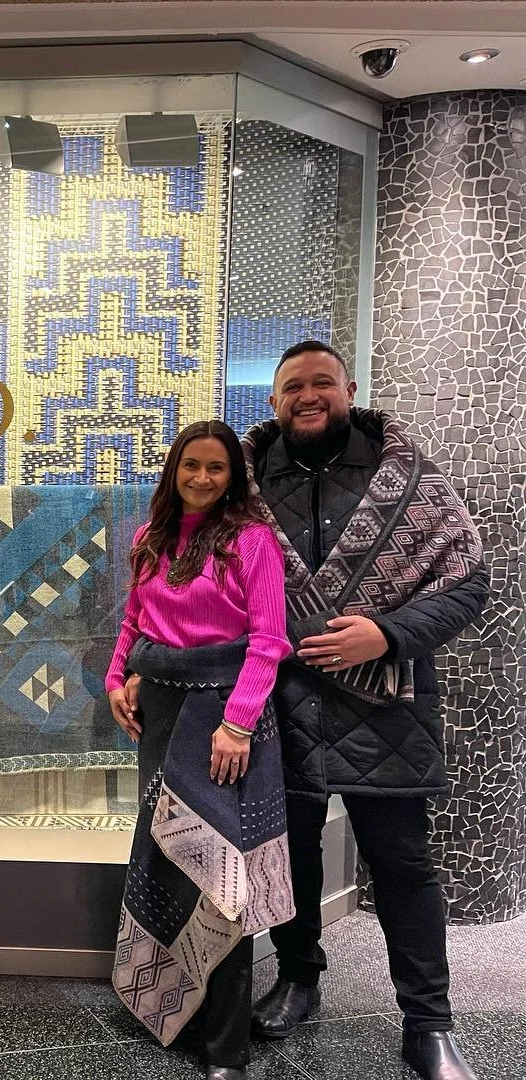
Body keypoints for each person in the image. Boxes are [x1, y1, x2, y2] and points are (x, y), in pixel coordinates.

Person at [240, 340, 489, 1080]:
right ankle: (299, 979)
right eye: (293, 386)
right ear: (274, 401)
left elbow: (468, 582)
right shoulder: (245, 485)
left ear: (350, 390)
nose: (308, 396)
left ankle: (429, 1022)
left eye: (323, 382)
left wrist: (386, 634)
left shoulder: (406, 477)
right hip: (279, 699)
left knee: (402, 866)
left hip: (387, 707)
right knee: (291, 857)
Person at [106, 419, 295, 1080]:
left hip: (222, 720)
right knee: (167, 859)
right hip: (160, 715)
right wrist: (116, 681)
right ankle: (177, 1013)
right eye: (192, 465)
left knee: (221, 877)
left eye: (217, 467)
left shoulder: (252, 541)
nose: (203, 478)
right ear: (174, 470)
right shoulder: (151, 538)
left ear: (233, 477)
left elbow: (268, 641)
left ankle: (225, 1047)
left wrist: (238, 723)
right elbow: (134, 622)